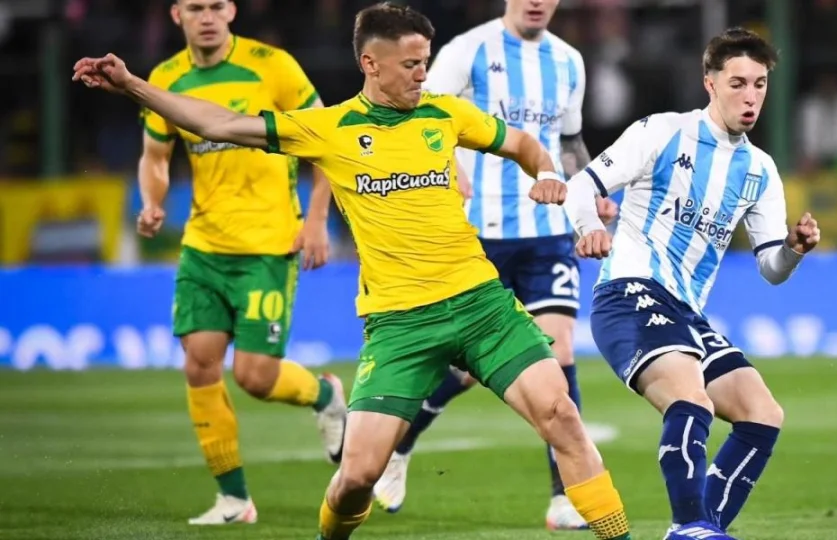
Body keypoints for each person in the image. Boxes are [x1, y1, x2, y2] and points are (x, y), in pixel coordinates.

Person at [73, 4, 635, 540]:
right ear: (371, 63)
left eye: (425, 60)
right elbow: (220, 122)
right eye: (410, 64)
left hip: (481, 305)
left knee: (562, 415)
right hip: (399, 327)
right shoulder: (330, 128)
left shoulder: (445, 113)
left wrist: (545, 172)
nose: (422, 74)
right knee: (357, 477)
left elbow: (523, 143)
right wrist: (134, 86)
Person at [561, 27, 822, 540]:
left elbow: (771, 269)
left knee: (762, 413)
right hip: (630, 293)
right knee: (692, 399)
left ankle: (702, 529)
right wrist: (590, 227)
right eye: (738, 83)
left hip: (686, 313)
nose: (750, 97)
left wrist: (793, 249)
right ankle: (690, 525)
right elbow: (580, 187)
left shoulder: (760, 170)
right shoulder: (662, 132)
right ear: (710, 83)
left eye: (760, 85)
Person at [371, 0, 615, 530]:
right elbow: (421, 114)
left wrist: (591, 190)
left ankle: (564, 497)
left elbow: (568, 140)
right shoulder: (467, 51)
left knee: (559, 350)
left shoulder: (569, 61)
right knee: (463, 372)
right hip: (480, 235)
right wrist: (448, 167)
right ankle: (400, 445)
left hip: (547, 232)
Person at [134, 0, 346, 525]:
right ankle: (234, 500)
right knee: (199, 363)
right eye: (195, 8)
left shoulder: (273, 65)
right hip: (204, 245)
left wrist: (317, 220)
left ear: (230, 10)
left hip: (269, 246)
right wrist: (154, 201)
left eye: (215, 6)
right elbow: (155, 155)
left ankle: (324, 394)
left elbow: (325, 139)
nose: (206, 17)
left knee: (255, 376)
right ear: (176, 14)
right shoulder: (165, 78)